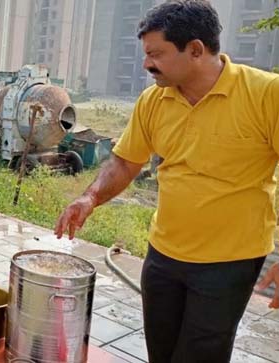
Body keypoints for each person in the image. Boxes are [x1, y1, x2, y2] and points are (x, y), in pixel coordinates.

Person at [54, 1, 279, 362]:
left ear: (195, 50)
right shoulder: (154, 100)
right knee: (161, 349)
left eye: (156, 54)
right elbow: (126, 162)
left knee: (200, 355)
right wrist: (90, 197)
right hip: (163, 255)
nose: (146, 64)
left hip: (229, 261)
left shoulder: (266, 94)